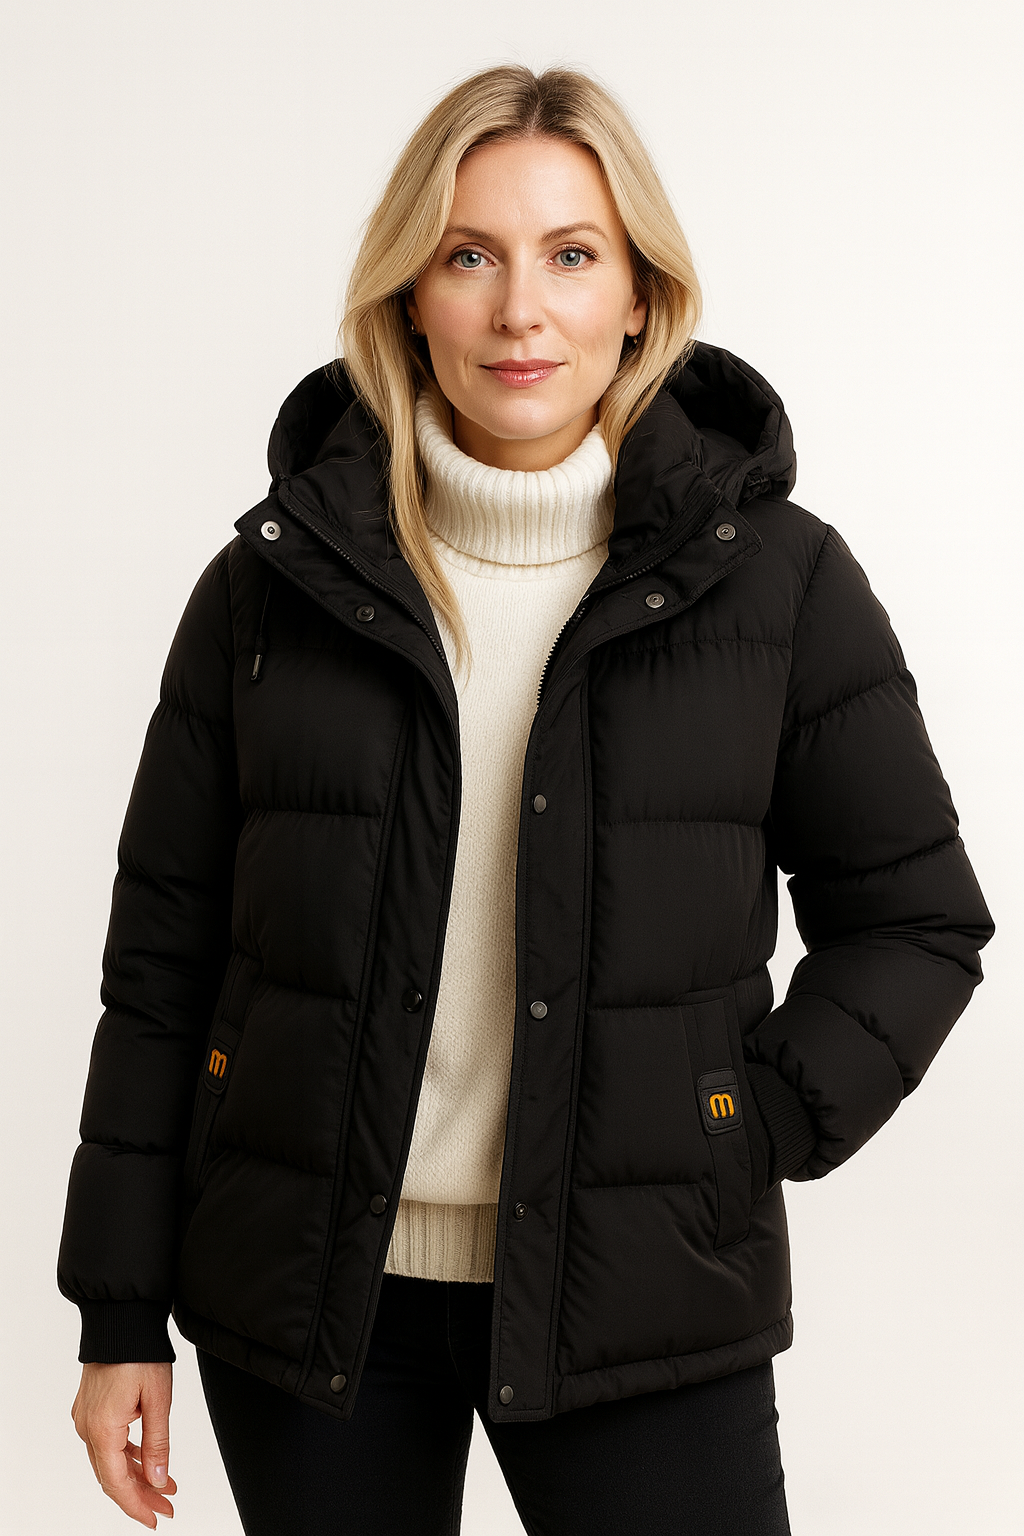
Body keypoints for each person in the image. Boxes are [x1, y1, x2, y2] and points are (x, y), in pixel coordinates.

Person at [58, 62, 995, 1536]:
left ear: (639, 296)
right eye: (468, 256)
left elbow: (917, 922)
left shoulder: (781, 585)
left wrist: (741, 1129)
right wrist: (118, 1311)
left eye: (570, 255)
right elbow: (162, 965)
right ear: (408, 297)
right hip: (308, 1300)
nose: (519, 311)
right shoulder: (268, 589)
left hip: (641, 1293)